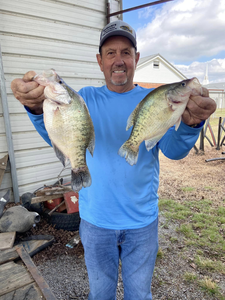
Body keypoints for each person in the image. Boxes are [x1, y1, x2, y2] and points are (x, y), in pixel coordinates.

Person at [11, 20, 216, 300]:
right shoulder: (83, 100)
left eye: (126, 52)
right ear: (100, 60)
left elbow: (173, 150)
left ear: (136, 58)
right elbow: (59, 138)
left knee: (139, 295)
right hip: (96, 222)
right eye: (110, 53)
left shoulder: (153, 100)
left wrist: (191, 126)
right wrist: (34, 107)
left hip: (142, 223)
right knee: (100, 294)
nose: (118, 60)